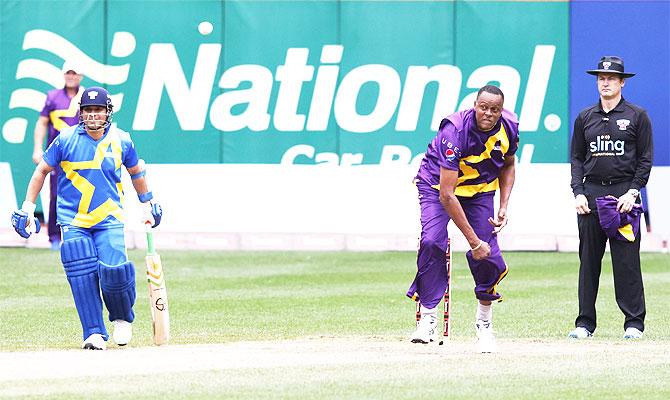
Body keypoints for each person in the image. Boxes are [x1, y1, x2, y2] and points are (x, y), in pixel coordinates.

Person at [11, 87, 163, 350]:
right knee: (81, 272)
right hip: (73, 220)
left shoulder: (122, 140)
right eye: (88, 110)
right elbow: (41, 171)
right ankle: (93, 332)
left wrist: (147, 202)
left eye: (98, 110)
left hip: (109, 217)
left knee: (115, 272)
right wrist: (27, 206)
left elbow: (136, 170)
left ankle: (121, 318)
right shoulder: (64, 139)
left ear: (108, 112)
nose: (93, 115)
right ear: (80, 113)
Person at [407, 85, 519, 353]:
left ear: (501, 111)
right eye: (484, 107)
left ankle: (484, 323)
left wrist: (504, 205)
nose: (488, 114)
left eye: (495, 109)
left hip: (479, 189)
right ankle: (428, 317)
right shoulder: (455, 130)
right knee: (433, 241)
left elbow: (509, 163)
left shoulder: (510, 126)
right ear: (474, 105)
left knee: (489, 255)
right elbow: (447, 195)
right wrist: (473, 241)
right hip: (436, 187)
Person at [569, 56, 653, 340]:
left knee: (627, 261)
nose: (605, 82)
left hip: (623, 197)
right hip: (591, 194)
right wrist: (578, 191)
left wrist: (634, 191)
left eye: (611, 79)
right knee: (588, 261)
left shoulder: (637, 115)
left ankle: (634, 323)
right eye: (601, 78)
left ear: (621, 82)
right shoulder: (585, 117)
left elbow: (645, 159)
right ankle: (584, 323)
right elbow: (577, 158)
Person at [33, 61, 84, 250]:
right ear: (64, 75)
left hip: (81, 155)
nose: (71, 76)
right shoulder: (52, 96)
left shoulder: (86, 97)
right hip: (57, 154)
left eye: (75, 73)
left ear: (81, 76)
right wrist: (38, 148)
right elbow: (42, 123)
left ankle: (80, 235)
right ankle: (54, 237)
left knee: (82, 193)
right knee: (56, 194)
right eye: (68, 73)